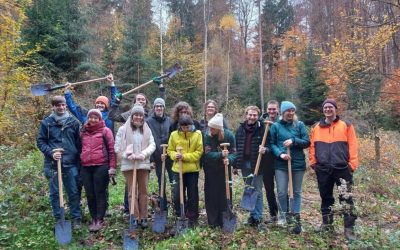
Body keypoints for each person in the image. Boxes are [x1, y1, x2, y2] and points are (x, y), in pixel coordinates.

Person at [309, 99, 359, 240]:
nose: (328, 109)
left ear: (335, 109)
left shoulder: (346, 126)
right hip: (323, 169)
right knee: (326, 198)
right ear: (323, 110)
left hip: (342, 169)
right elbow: (312, 147)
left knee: (346, 198)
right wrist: (314, 163)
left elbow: (353, 145)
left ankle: (349, 230)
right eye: (325, 107)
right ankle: (327, 225)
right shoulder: (316, 127)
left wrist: (352, 165)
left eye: (330, 107)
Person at [36, 96, 82, 229]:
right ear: (53, 107)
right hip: (52, 165)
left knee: (73, 191)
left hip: (70, 163)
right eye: (58, 105)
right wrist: (51, 153)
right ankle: (58, 218)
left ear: (66, 106)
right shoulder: (47, 123)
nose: (61, 107)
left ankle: (76, 218)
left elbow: (79, 144)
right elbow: (40, 141)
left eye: (63, 105)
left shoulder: (73, 122)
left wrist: (79, 163)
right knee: (55, 193)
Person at [269, 101, 310, 234]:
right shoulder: (275, 126)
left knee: (296, 192)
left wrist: (293, 141)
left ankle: (296, 216)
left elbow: (306, 142)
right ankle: (282, 216)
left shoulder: (300, 125)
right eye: (288, 111)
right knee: (281, 191)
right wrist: (280, 154)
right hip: (281, 164)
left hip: (297, 163)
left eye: (293, 111)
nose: (291, 113)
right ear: (282, 112)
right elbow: (272, 144)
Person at [115, 104, 156, 228]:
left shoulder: (146, 129)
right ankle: (134, 216)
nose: (138, 117)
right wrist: (128, 155)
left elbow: (152, 145)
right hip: (129, 165)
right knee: (132, 192)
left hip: (143, 164)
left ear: (143, 117)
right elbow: (117, 147)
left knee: (143, 191)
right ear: (132, 116)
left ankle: (144, 217)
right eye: (136, 115)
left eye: (140, 115)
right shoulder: (123, 129)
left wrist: (143, 154)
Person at [79, 109, 116, 232]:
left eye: (96, 118)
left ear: (100, 119)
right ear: (88, 118)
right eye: (91, 117)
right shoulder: (83, 131)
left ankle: (100, 219)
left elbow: (111, 150)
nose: (93, 120)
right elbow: (80, 148)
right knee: (89, 193)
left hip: (101, 166)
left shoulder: (106, 131)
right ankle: (93, 217)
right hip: (86, 167)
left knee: (99, 192)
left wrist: (112, 167)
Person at [235, 106, 268, 228]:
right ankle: (252, 216)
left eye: (254, 115)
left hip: (257, 164)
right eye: (250, 115)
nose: (252, 117)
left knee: (257, 191)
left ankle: (258, 218)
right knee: (249, 189)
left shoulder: (263, 129)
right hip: (244, 164)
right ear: (246, 115)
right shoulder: (240, 129)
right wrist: (235, 165)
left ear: (257, 116)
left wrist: (265, 149)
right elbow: (237, 147)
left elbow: (269, 145)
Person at [167, 115, 203, 227]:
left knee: (192, 194)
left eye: (188, 127)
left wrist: (184, 157)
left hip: (192, 170)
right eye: (183, 127)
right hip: (178, 170)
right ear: (180, 126)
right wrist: (174, 155)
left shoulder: (197, 134)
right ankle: (180, 215)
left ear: (191, 125)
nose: (186, 129)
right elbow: (170, 150)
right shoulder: (174, 135)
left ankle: (192, 217)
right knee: (177, 194)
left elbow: (199, 152)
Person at [203, 113, 237, 228]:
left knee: (225, 194)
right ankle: (213, 221)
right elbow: (206, 155)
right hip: (211, 169)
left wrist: (230, 160)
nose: (210, 130)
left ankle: (224, 220)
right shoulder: (207, 136)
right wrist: (220, 154)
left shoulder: (229, 135)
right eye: (209, 127)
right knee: (211, 195)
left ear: (218, 128)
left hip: (224, 170)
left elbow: (234, 153)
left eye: (212, 128)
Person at [146, 98, 173, 212]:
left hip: (170, 157)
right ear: (154, 108)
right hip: (157, 157)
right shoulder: (148, 122)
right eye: (157, 106)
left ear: (164, 108)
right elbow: (147, 140)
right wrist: (151, 158)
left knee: (174, 181)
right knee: (161, 182)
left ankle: (177, 204)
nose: (159, 108)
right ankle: (163, 207)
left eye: (161, 106)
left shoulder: (170, 121)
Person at [259, 100, 280, 224]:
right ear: (266, 110)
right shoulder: (261, 123)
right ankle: (273, 215)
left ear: (278, 109)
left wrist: (268, 149)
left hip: (279, 160)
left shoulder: (282, 123)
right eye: (269, 109)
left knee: (282, 190)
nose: (271, 111)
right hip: (266, 161)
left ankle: (285, 214)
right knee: (269, 189)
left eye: (274, 109)